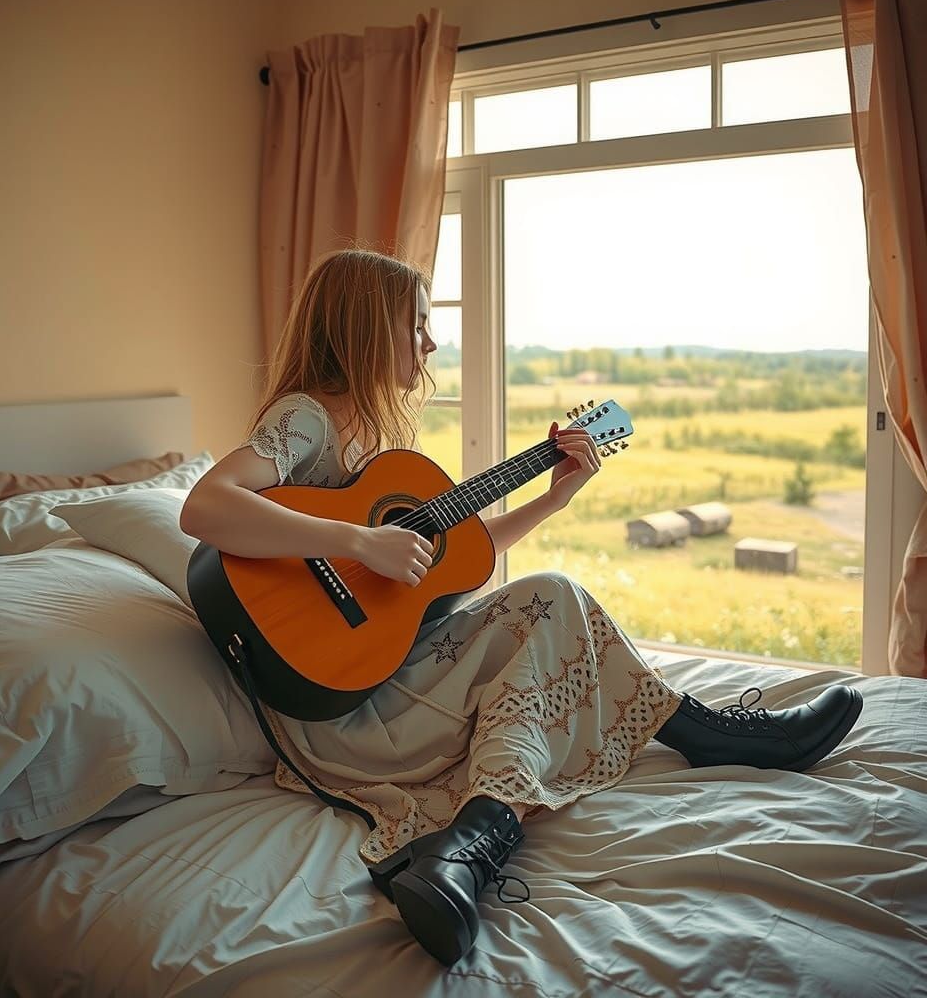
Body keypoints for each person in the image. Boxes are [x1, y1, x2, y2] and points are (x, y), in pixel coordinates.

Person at [179, 247, 864, 967]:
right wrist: (358, 539)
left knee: (546, 603)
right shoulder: (308, 418)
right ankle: (703, 733)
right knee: (549, 607)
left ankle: (468, 854)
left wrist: (552, 496)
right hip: (331, 703)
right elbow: (205, 505)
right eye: (416, 325)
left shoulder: (379, 440)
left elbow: (457, 560)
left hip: (376, 663)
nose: (431, 343)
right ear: (368, 327)